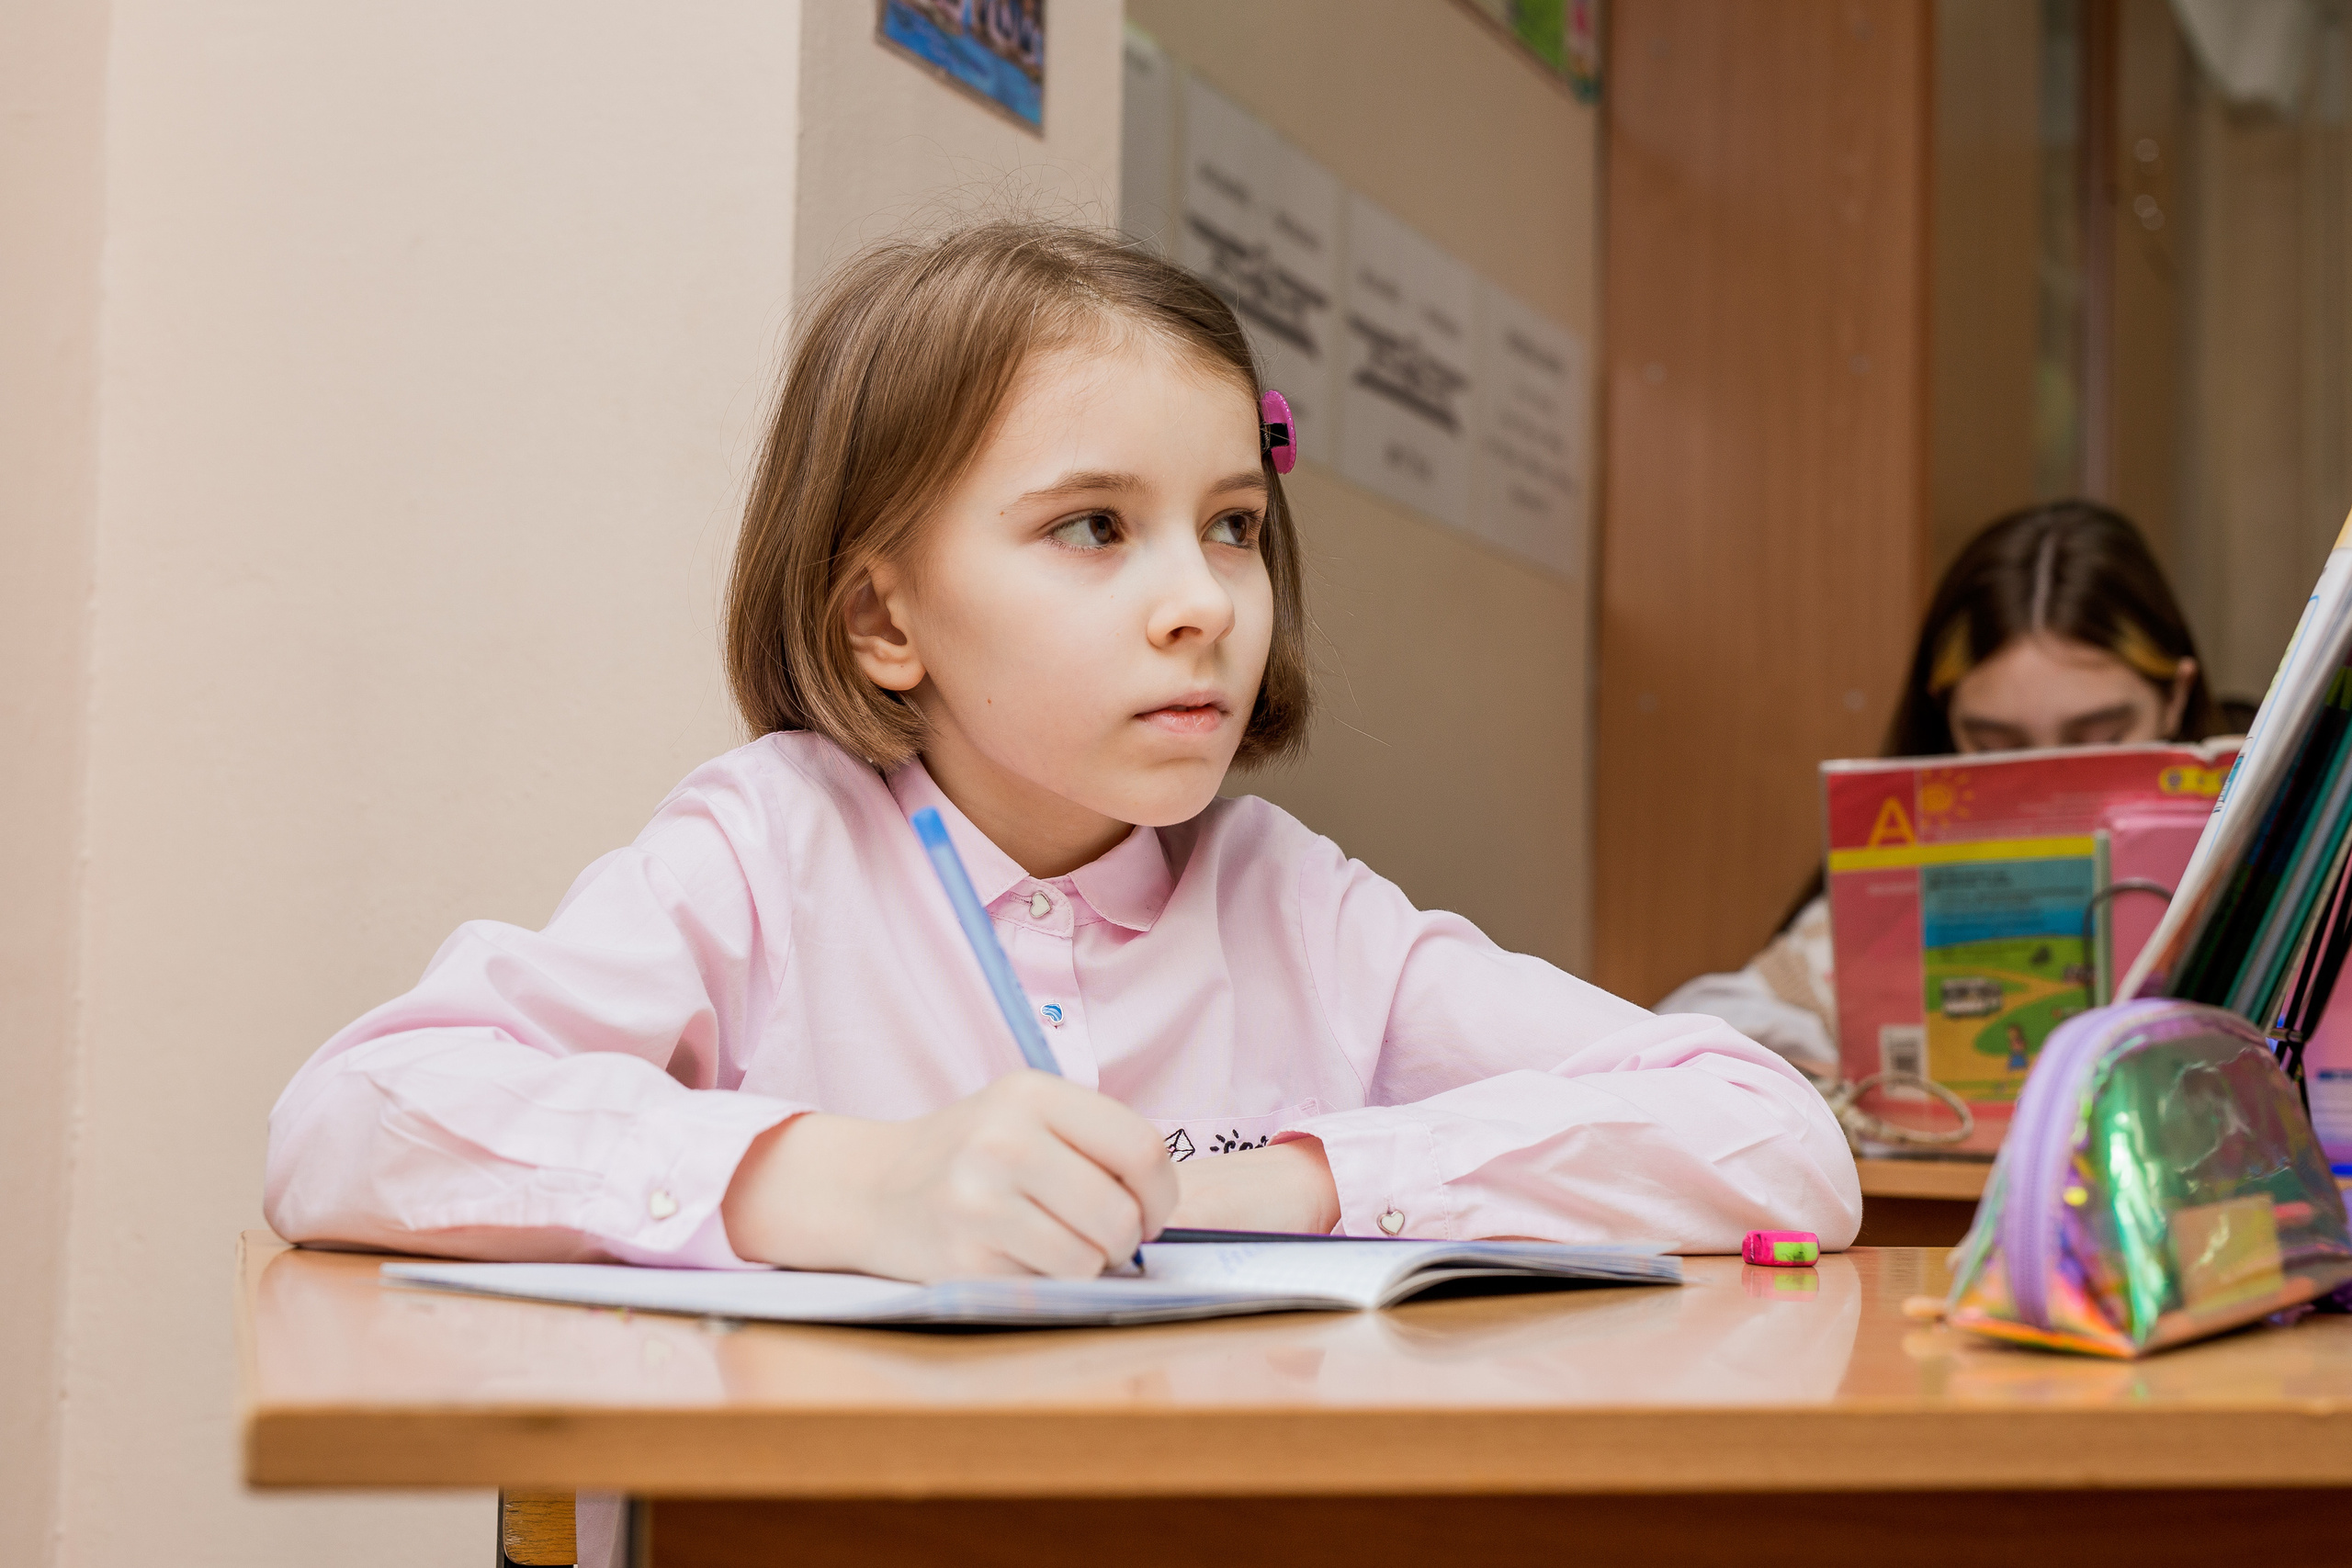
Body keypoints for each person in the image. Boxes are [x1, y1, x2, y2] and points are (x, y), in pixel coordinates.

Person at [265, 221, 1859, 1280]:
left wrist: (1290, 1178)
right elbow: (354, 1119)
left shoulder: (1291, 903)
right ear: (884, 614)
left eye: (1234, 526)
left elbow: (1776, 1141)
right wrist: (833, 1184)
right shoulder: (770, 852)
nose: (1204, 604)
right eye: (1094, 526)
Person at [1660, 501, 2227, 1086]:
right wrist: (1810, 1074)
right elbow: (1691, 1027)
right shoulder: (1890, 899)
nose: (2044, 790)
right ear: (1946, 722)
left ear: (2175, 700)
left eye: (2103, 740)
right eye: (1994, 749)